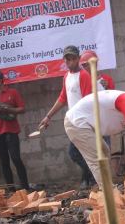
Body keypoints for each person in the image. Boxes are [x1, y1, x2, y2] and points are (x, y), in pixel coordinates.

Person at [63, 86, 125, 187]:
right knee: (98, 158)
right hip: (77, 123)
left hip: (85, 124)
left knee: (104, 152)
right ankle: (108, 193)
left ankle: (108, 189)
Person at [38, 45, 101, 190]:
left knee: (74, 153)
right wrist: (48, 116)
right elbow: (62, 98)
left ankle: (92, 179)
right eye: (67, 59)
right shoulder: (67, 76)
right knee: (81, 153)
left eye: (73, 59)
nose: (70, 62)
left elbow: (88, 101)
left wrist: (89, 123)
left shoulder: (84, 76)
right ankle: (90, 180)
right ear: (64, 60)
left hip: (83, 122)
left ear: (78, 59)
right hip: (74, 122)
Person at [0, 70, 29, 191]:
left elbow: (22, 109)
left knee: (15, 158)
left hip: (11, 131)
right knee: (4, 162)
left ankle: (25, 187)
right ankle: (11, 190)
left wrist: (8, 109)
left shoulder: (12, 92)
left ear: (0, 81)